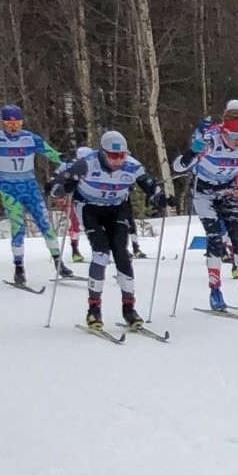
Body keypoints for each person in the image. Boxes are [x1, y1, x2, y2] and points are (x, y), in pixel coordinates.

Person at [50, 130, 161, 332]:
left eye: (122, 155)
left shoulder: (132, 165)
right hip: (89, 208)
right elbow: (55, 185)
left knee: (121, 253)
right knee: (101, 253)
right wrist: (64, 186)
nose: (118, 160)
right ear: (103, 153)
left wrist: (159, 197)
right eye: (113, 155)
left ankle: (129, 309)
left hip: (116, 208)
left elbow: (148, 184)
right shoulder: (86, 163)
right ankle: (94, 310)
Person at [174, 100, 238, 314]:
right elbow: (178, 166)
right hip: (204, 193)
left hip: (227, 190)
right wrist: (192, 151)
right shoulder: (210, 138)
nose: (237, 141)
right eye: (232, 136)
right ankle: (215, 291)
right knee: (215, 239)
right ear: (223, 129)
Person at [0, 104, 67, 284]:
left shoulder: (29, 138)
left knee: (45, 224)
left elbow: (51, 153)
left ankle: (59, 262)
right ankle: (19, 268)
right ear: (3, 123)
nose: (13, 128)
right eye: (9, 124)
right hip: (9, 189)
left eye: (17, 123)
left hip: (29, 186)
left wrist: (64, 157)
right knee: (17, 227)